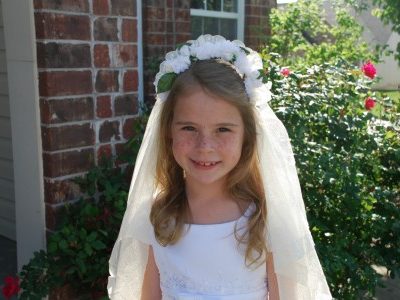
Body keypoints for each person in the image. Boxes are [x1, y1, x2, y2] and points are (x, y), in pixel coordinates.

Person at [107, 35, 332, 300]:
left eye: (223, 129)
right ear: (169, 132)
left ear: (247, 136)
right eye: (189, 128)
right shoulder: (156, 215)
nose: (205, 146)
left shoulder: (266, 219)